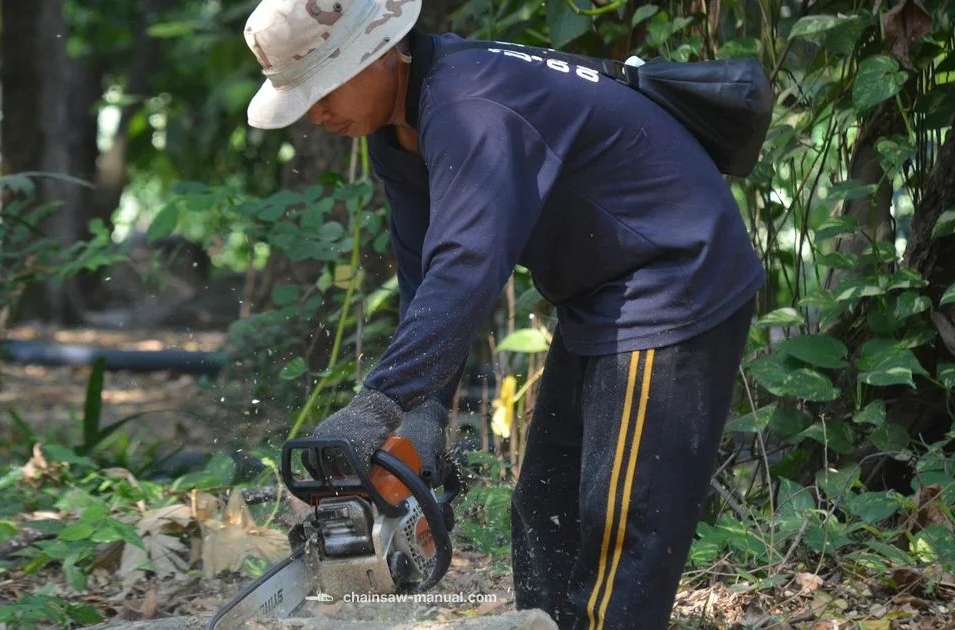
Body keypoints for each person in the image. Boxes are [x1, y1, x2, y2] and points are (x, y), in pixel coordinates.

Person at [240, 0, 766, 627]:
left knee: (622, 524)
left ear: (378, 53)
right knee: (545, 504)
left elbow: (469, 268)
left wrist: (379, 403)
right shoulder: (395, 130)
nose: (316, 112)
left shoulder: (468, 107)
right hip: (601, 290)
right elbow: (429, 277)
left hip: (675, 275)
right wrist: (424, 412)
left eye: (323, 88)